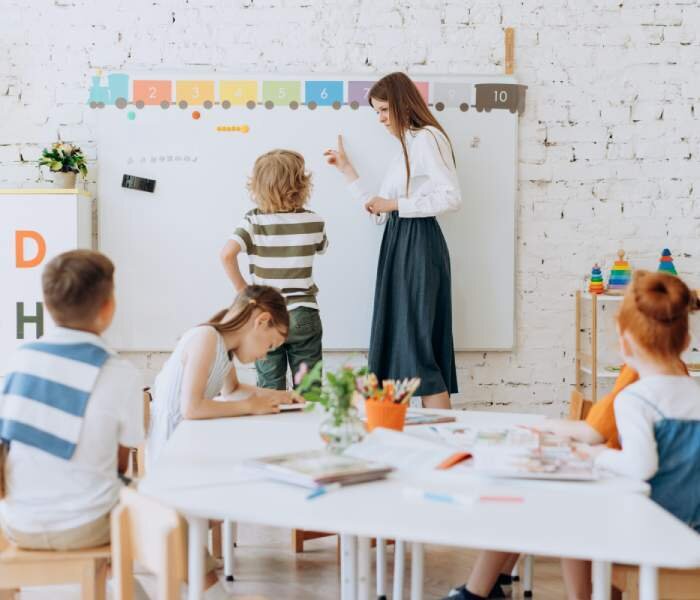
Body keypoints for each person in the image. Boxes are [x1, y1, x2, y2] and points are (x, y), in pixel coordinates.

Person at [325, 71, 462, 408]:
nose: (381, 119)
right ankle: (420, 437)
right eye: (377, 112)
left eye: (384, 110)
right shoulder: (407, 144)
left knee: (419, 349)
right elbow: (380, 208)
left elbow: (451, 197)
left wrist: (396, 204)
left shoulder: (427, 138)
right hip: (399, 242)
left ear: (402, 104)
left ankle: (444, 440)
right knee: (402, 345)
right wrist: (347, 171)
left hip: (418, 244)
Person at [221, 149, 327, 389]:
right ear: (301, 185)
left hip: (265, 315)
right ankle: (308, 426)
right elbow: (321, 246)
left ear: (258, 186)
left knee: (269, 387)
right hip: (304, 313)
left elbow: (226, 255)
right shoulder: (314, 221)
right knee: (309, 389)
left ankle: (274, 426)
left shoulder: (252, 221)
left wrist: (244, 292)